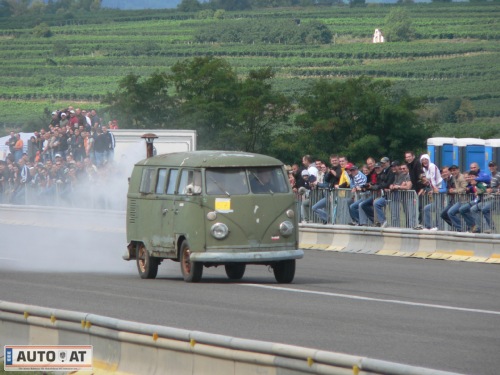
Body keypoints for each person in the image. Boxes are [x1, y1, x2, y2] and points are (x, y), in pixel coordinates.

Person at [440, 165, 467, 230]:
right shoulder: (452, 178)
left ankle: (461, 228)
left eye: (454, 170)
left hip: (463, 200)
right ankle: (458, 227)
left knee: (450, 212)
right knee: (444, 214)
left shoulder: (461, 178)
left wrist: (453, 191)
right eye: (451, 170)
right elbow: (447, 189)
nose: (453, 172)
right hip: (456, 199)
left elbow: (464, 189)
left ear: (458, 170)